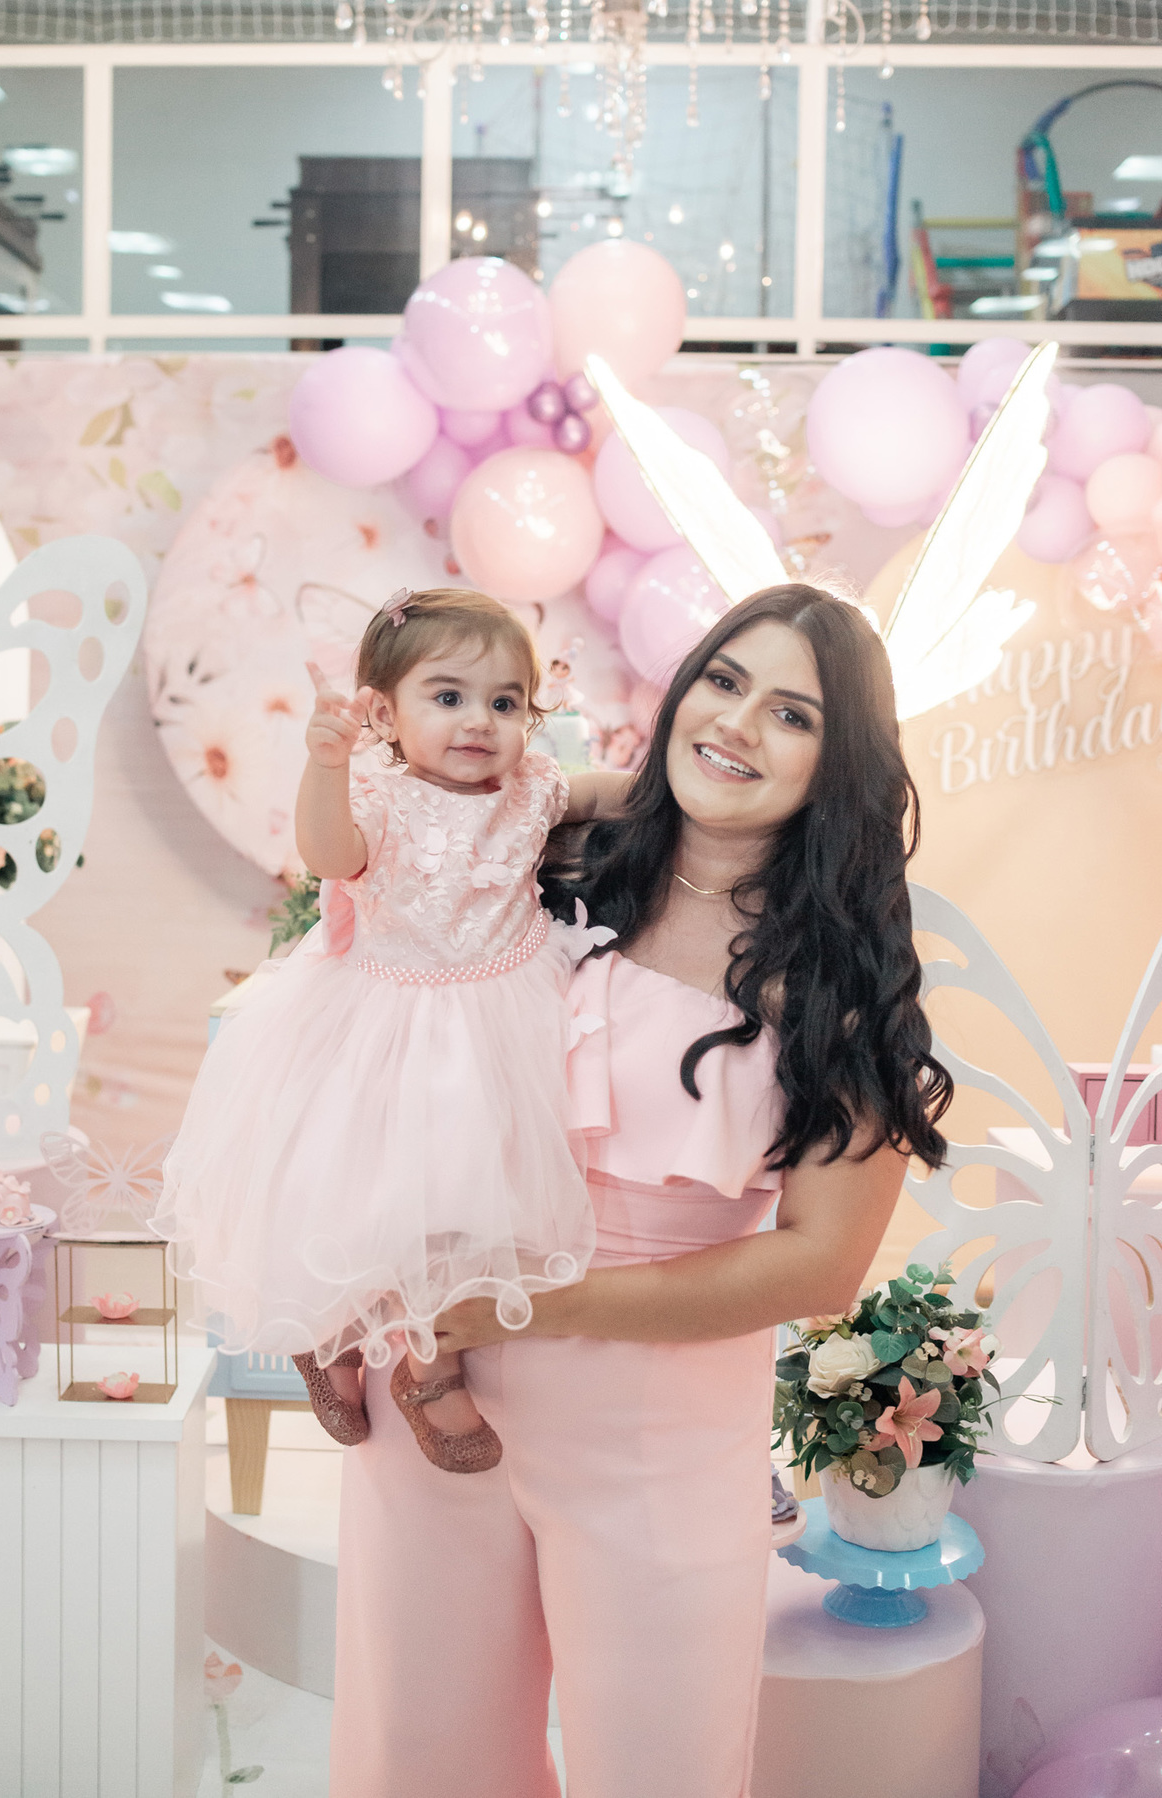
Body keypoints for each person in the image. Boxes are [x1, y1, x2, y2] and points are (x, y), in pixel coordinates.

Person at [328, 584, 952, 1798]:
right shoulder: (549, 856)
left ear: (840, 762)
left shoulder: (841, 981)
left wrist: (538, 1303)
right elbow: (376, 1015)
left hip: (656, 1435)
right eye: (723, 681)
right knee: (419, 1759)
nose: (738, 723)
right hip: (435, 1395)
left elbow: (821, 1262)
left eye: (794, 714)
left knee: (658, 1770)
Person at [155, 588, 630, 1474]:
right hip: (387, 1024)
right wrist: (326, 765)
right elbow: (330, 854)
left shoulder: (534, 787)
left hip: (503, 1022)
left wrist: (686, 790)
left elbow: (613, 792)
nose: (479, 721)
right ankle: (341, 1338)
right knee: (365, 1201)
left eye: (505, 702)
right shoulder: (378, 793)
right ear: (383, 714)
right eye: (448, 697)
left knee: (463, 1212)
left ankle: (424, 1358)